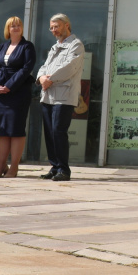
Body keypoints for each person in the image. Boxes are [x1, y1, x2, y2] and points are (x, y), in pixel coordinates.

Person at [36, 14, 85, 182]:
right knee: (49, 133)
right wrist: (41, 78)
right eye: (51, 27)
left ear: (67, 25)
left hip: (64, 97)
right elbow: (44, 66)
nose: (53, 30)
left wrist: (50, 79)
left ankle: (64, 169)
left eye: (56, 26)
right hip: (48, 95)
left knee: (58, 131)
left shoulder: (76, 45)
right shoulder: (54, 47)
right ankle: (55, 166)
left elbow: (70, 67)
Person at [0, 16, 36, 178]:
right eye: (12, 26)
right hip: (1, 94)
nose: (15, 28)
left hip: (18, 93)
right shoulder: (3, 46)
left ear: (22, 28)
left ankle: (14, 167)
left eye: (18, 25)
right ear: (7, 29)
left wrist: (9, 86)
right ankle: (1, 165)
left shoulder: (27, 47)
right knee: (3, 131)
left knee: (16, 131)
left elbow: (25, 69)